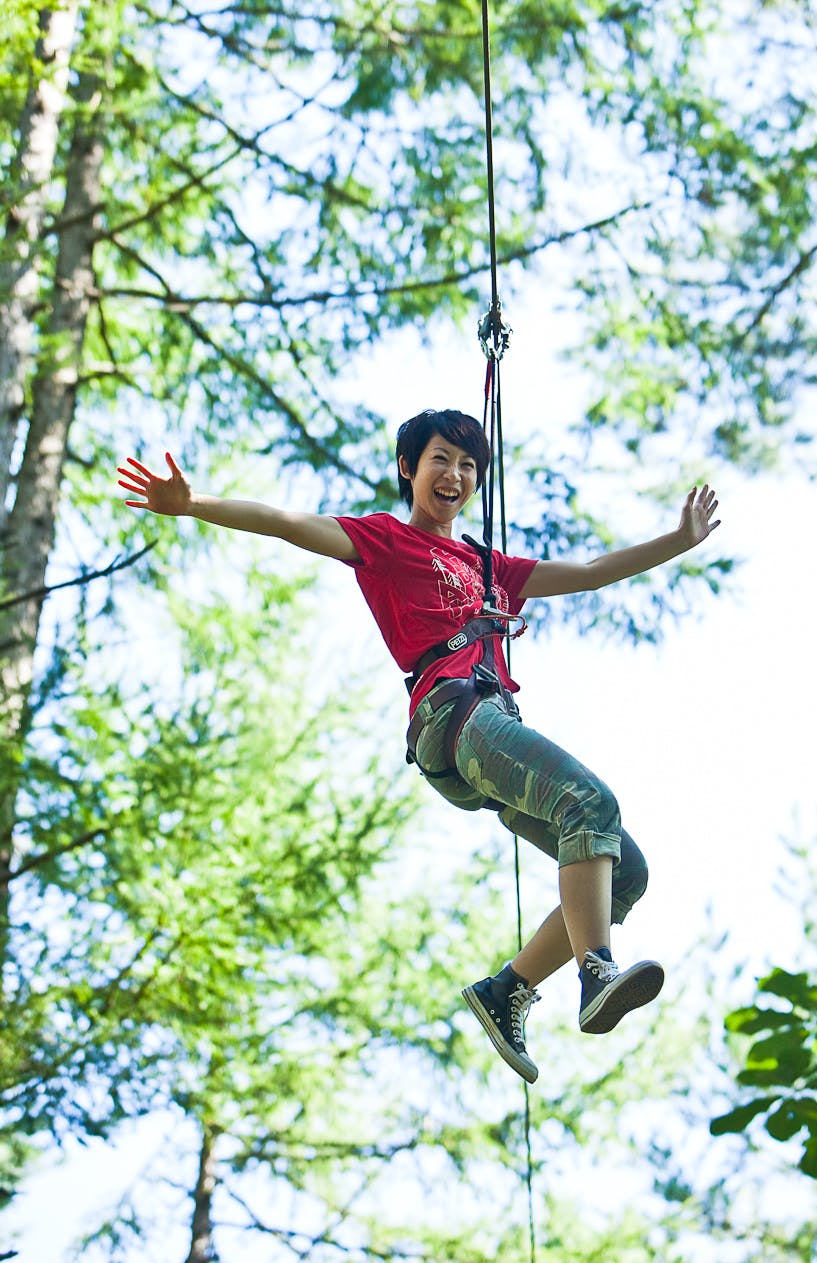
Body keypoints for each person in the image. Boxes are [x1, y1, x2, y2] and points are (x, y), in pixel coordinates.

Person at [118, 408, 720, 1084]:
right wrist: (194, 504)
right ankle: (594, 971)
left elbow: (588, 571)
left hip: (486, 728)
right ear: (408, 467)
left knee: (626, 873)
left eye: (467, 466)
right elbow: (289, 524)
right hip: (453, 716)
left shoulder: (489, 565)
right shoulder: (383, 541)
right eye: (440, 459)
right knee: (588, 801)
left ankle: (507, 990)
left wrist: (676, 541)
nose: (455, 475)